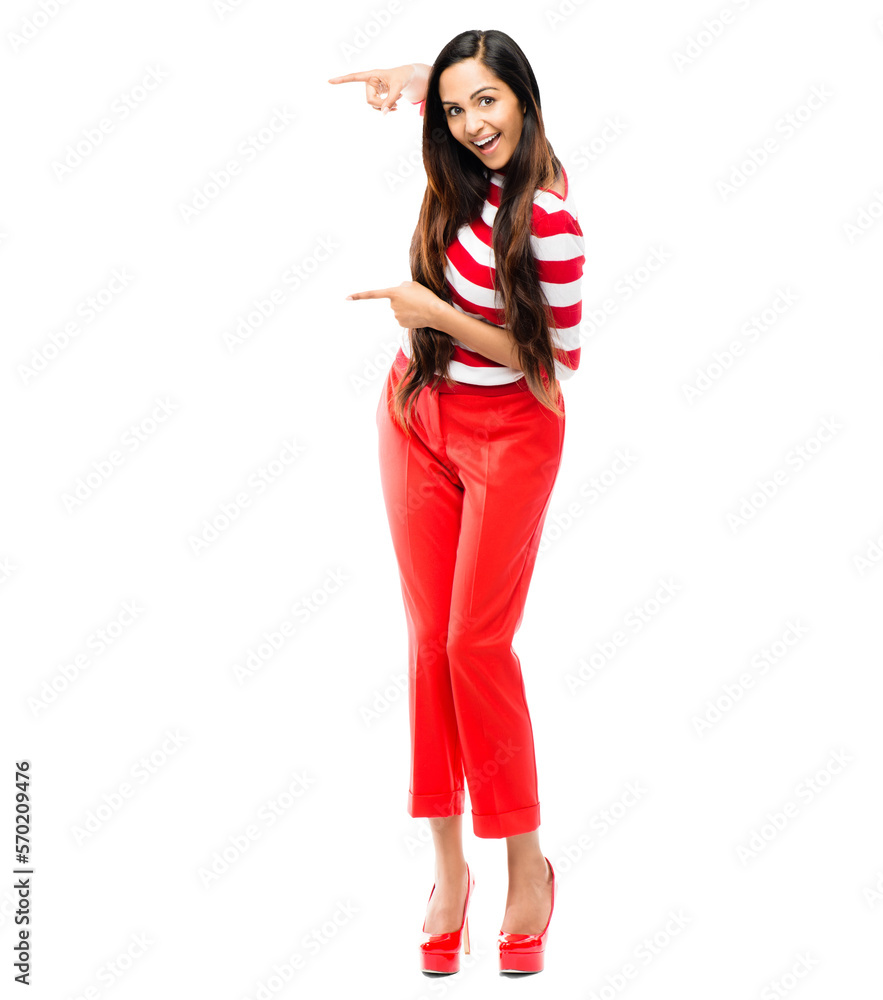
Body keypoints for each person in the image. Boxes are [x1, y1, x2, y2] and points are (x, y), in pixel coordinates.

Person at [328, 28, 585, 977]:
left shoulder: (549, 220)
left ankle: (527, 870)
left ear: (524, 97)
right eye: (456, 107)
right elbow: (448, 119)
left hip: (512, 431)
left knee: (477, 643)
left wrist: (433, 313)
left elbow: (551, 360)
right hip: (415, 414)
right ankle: (448, 874)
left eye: (490, 101)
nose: (475, 125)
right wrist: (414, 81)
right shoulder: (459, 176)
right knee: (427, 641)